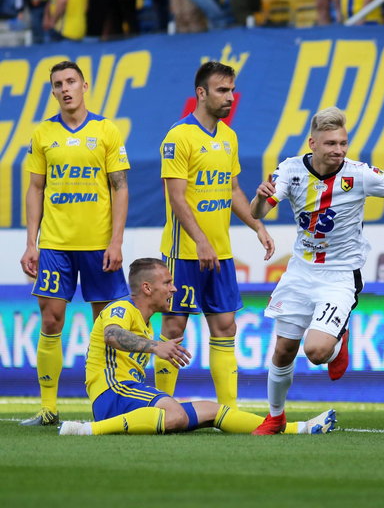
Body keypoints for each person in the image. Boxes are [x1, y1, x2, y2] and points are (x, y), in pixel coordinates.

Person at [249, 106, 384, 435]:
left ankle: (338, 339)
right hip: (301, 272)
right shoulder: (290, 171)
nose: (338, 150)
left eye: (343, 143)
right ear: (312, 143)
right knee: (283, 349)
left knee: (316, 351)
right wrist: (258, 199)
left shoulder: (359, 174)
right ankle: (276, 417)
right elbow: (260, 210)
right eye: (330, 143)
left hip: (339, 275)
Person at [58, 258, 337, 436]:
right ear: (146, 287)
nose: (173, 289)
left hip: (129, 393)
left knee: (213, 411)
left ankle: (297, 428)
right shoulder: (121, 308)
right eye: (167, 282)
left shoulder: (144, 321)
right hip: (112, 393)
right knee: (175, 414)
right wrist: (156, 346)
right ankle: (87, 430)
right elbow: (112, 335)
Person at [154, 61, 275, 409]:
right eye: (222, 90)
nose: (230, 97)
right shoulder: (178, 136)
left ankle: (229, 410)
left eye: (232, 90)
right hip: (184, 254)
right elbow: (176, 196)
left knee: (225, 327)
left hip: (219, 254)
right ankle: (163, 405)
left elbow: (233, 189)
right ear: (201, 93)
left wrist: (257, 225)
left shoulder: (229, 137)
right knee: (174, 327)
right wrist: (200, 240)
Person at [19, 60, 131, 427]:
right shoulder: (42, 134)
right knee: (51, 319)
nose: (65, 88)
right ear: (52, 91)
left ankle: (109, 399)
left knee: (107, 325)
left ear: (85, 85)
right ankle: (49, 408)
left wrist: (116, 242)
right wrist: (30, 243)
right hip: (54, 244)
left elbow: (120, 187)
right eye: (57, 84)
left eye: (70, 81)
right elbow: (36, 188)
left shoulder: (106, 130)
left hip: (99, 245)